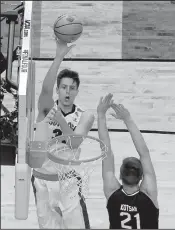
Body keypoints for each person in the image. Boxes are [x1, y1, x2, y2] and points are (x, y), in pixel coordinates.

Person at [31, 38, 94, 229]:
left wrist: (60, 120)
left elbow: (74, 143)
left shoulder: (85, 115)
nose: (67, 92)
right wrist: (59, 56)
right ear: (58, 90)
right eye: (64, 87)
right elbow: (45, 89)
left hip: (68, 180)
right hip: (43, 179)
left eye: (72, 88)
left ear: (76, 91)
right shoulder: (45, 109)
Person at [97, 93, 159, 229]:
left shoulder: (112, 192)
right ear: (142, 176)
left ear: (120, 176)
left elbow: (106, 152)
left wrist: (101, 116)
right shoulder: (148, 193)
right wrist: (128, 119)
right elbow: (145, 154)